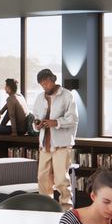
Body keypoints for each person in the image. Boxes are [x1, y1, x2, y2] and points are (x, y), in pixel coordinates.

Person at [31, 69, 78, 202]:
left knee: (61, 181)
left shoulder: (67, 96)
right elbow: (35, 117)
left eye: (46, 83)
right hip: (44, 146)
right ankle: (47, 208)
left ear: (53, 80)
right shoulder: (40, 97)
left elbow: (73, 119)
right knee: (43, 180)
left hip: (61, 146)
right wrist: (37, 124)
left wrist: (55, 122)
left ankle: (66, 210)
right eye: (42, 84)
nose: (45, 87)